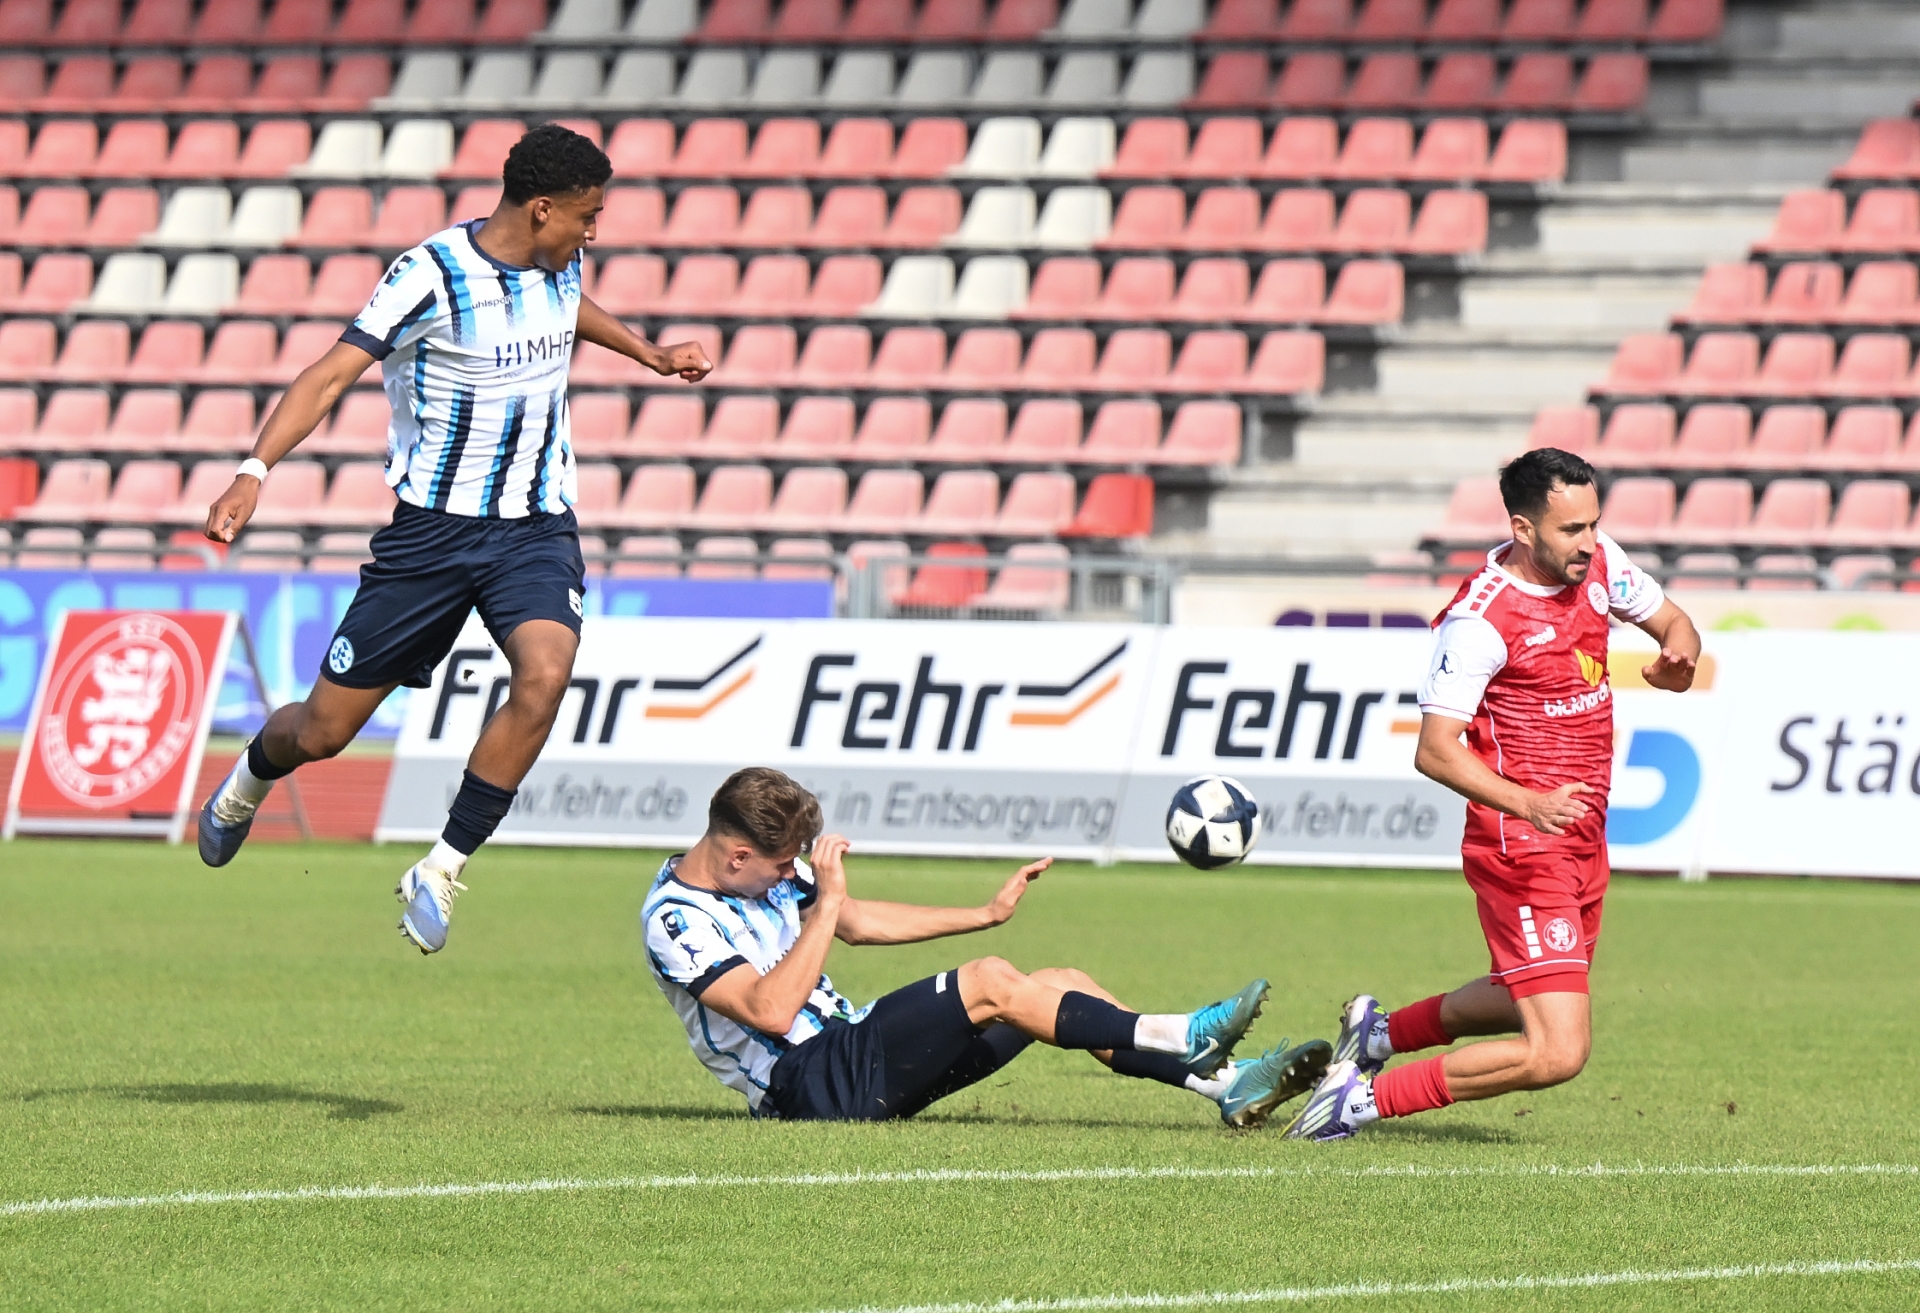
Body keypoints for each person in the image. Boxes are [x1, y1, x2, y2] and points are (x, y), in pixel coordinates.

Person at [194, 123, 714, 955]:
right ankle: (250, 778)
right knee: (322, 732)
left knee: (545, 674)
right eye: (586, 215)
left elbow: (566, 309)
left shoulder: (559, 259)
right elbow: (330, 373)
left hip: (535, 527)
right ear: (541, 209)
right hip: (431, 539)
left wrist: (647, 354)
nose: (593, 232)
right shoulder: (429, 275)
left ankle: (440, 866)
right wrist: (253, 470)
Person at [1286, 447, 1701, 1140]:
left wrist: (1680, 660)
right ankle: (1357, 1101)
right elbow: (1435, 749)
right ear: (1523, 528)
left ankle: (1378, 1035)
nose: (1589, 542)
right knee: (1558, 1049)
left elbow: (1675, 624)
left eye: (1594, 524)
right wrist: (1529, 803)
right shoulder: (1480, 620)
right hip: (1523, 841)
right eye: (1572, 529)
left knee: (1523, 996)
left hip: (1581, 833)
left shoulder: (1600, 562)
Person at [644, 767, 1332, 1126]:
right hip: (808, 1084)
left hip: (854, 1053)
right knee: (989, 981)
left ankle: (1225, 1084)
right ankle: (1184, 1033)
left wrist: (984, 913)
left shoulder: (757, 873)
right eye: (779, 865)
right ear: (737, 856)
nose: (786, 875)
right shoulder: (675, 920)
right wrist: (824, 903)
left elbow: (854, 919)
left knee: (1060, 981)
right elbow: (768, 1010)